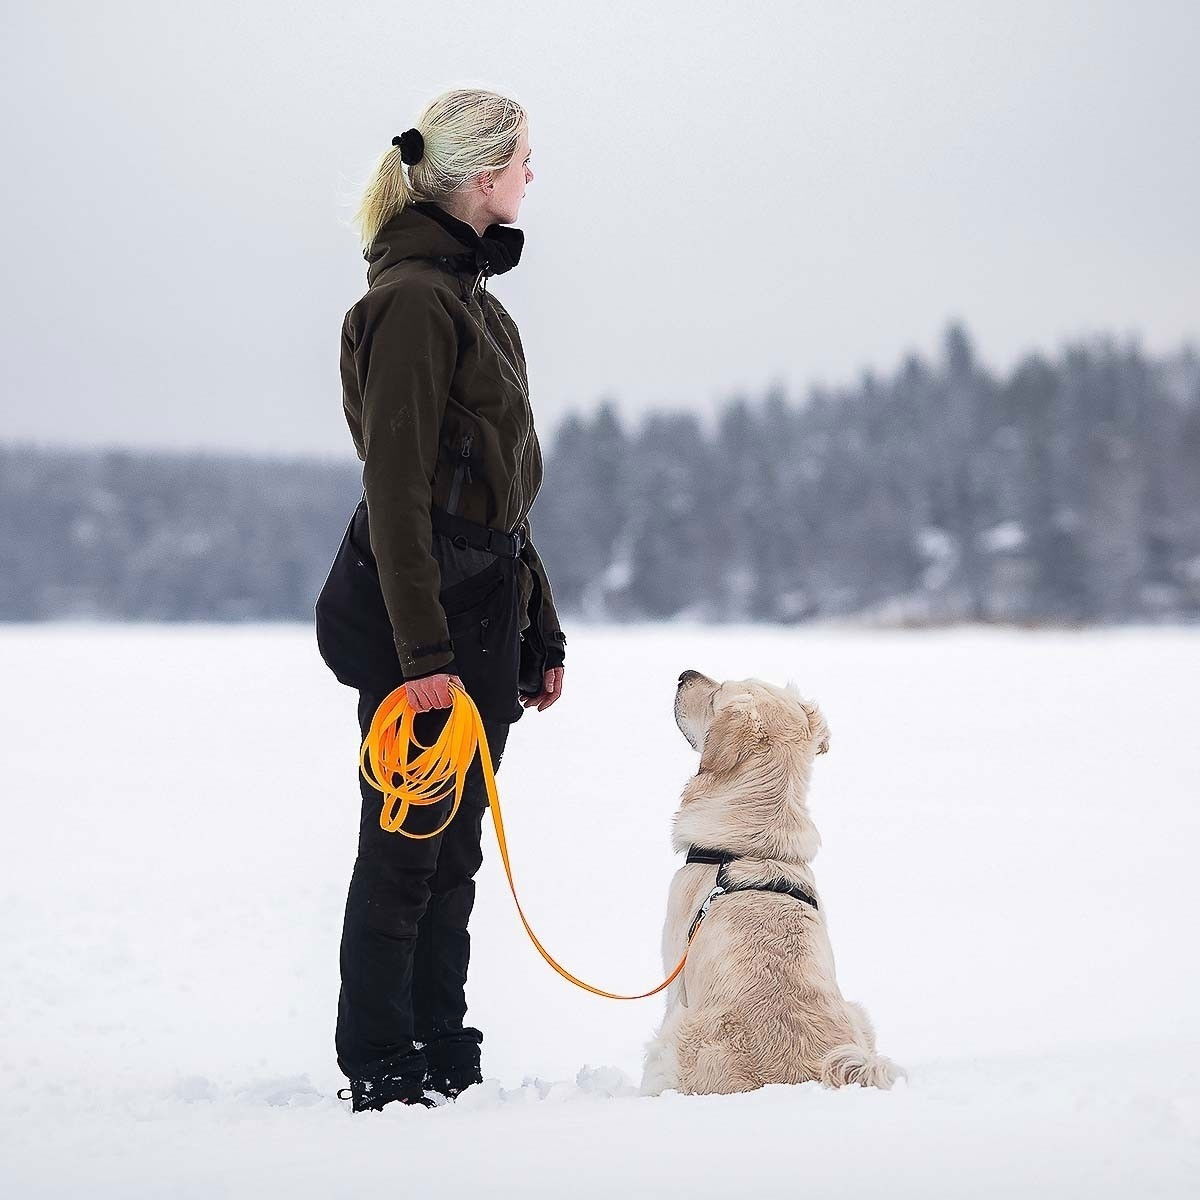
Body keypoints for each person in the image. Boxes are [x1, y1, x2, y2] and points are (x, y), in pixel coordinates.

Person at [314, 87, 567, 1113]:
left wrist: (534, 626)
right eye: (522, 160)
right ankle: (380, 1060)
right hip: (417, 619)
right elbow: (398, 487)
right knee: (407, 847)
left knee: (453, 850)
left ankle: (438, 1046)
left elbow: (500, 491)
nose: (532, 176)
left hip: (479, 606)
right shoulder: (413, 302)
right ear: (478, 176)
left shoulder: (475, 302)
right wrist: (422, 659)